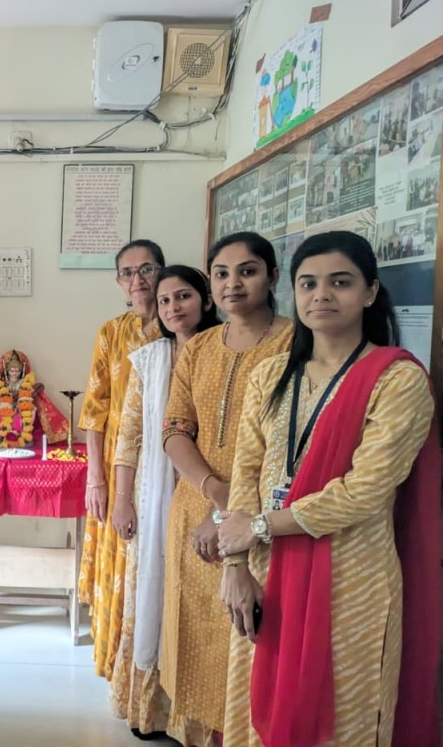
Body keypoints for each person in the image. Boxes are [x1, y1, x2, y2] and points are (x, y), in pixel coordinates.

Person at [218, 231, 441, 747]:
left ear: (370, 292)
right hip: (264, 573)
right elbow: (246, 473)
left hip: (352, 582)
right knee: (258, 713)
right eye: (308, 283)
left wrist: (257, 527)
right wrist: (235, 566)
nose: (321, 295)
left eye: (340, 283)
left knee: (340, 722)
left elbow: (366, 490)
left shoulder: (397, 380)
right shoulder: (270, 375)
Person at [159, 232, 292, 747]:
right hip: (195, 509)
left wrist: (229, 510)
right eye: (221, 273)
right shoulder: (199, 347)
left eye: (247, 271)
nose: (233, 283)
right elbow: (175, 430)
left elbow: (289, 445)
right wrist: (214, 493)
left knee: (248, 640)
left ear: (272, 277)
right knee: (195, 640)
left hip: (261, 518)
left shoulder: (296, 344)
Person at [109, 265, 221, 740]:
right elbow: (130, 434)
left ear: (207, 300)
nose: (174, 307)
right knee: (153, 592)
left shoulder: (224, 351)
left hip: (208, 493)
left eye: (184, 296)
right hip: (154, 494)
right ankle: (153, 712)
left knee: (199, 604)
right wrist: (122, 499)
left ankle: (195, 721)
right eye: (165, 301)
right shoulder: (149, 359)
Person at [78, 239, 165, 681]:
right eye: (128, 273)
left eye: (147, 269)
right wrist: (96, 479)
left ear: (162, 272)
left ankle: (154, 662)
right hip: (117, 466)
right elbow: (94, 411)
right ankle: (118, 656)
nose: (138, 279)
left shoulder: (181, 326)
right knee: (120, 551)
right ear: (118, 282)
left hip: (167, 464)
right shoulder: (111, 332)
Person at [0, 348, 68, 447]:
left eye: (17, 371)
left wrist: (29, 392)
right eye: (12, 371)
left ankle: (21, 434)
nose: (14, 373)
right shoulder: (2, 382)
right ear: (7, 371)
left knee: (32, 409)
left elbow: (31, 392)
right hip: (5, 405)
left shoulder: (23, 382)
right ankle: (2, 434)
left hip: (20, 404)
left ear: (21, 371)